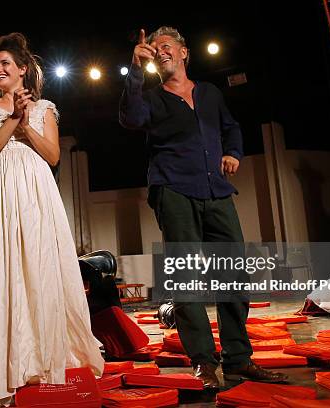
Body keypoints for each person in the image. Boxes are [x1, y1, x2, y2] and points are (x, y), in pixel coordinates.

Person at [119, 26, 287, 389]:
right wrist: (134, 68)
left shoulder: (209, 93)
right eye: (155, 48)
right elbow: (130, 117)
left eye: (167, 46)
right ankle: (204, 364)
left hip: (217, 192)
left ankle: (239, 360)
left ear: (184, 52)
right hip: (174, 189)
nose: (161, 51)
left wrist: (233, 152)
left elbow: (232, 128)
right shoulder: (151, 97)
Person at [0, 32, 104, 407]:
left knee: (39, 271)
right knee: (2, 274)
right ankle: (3, 370)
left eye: (5, 63)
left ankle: (43, 363)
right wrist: (12, 119)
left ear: (23, 69)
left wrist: (27, 124)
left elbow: (53, 155)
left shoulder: (46, 109)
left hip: (37, 197)